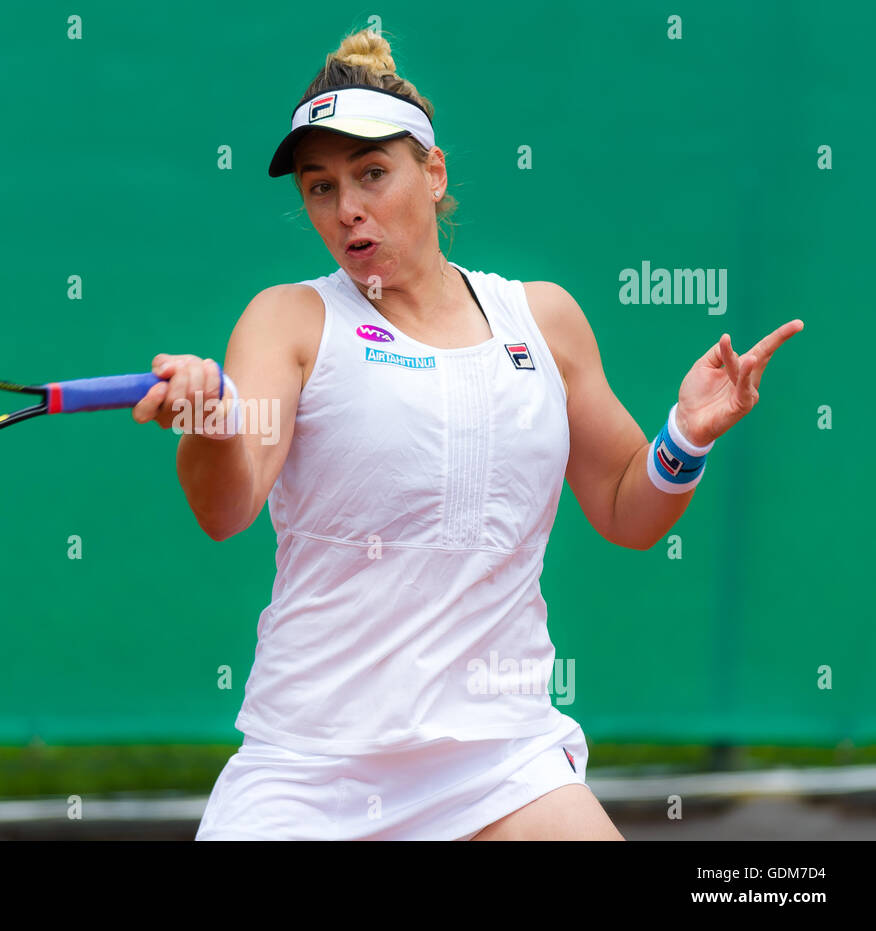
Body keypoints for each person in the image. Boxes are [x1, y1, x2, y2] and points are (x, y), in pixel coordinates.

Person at [132, 28, 803, 840]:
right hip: (313, 767)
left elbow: (630, 512)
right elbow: (227, 505)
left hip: (502, 758)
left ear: (433, 171)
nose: (347, 209)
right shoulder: (289, 321)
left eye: (372, 174)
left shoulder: (544, 320)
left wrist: (685, 436)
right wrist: (206, 422)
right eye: (320, 187)